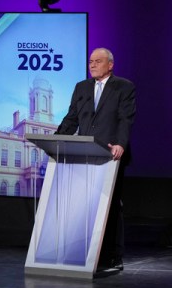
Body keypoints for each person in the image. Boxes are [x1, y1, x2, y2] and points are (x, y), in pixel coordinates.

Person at [55, 47, 136, 270]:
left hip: (111, 155)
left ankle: (113, 256)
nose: (92, 65)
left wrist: (120, 143)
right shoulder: (81, 87)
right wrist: (56, 140)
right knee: (87, 207)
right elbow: (72, 118)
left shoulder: (123, 87)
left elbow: (125, 119)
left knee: (110, 207)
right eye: (90, 61)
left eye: (97, 61)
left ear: (110, 65)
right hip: (84, 155)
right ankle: (86, 253)